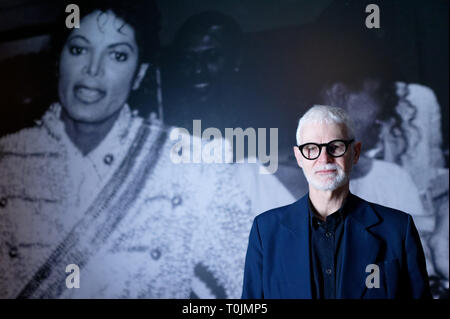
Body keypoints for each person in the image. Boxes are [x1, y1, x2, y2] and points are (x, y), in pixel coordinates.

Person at [0, 0, 294, 298]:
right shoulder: (7, 163)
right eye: (78, 49)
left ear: (139, 74)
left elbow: (267, 281)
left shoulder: (193, 166)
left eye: (117, 55)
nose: (93, 69)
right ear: (58, 61)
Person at [241, 105, 431, 299]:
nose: (324, 159)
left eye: (336, 147)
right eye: (311, 148)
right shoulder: (265, 231)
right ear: (299, 157)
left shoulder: (398, 229)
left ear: (355, 152)